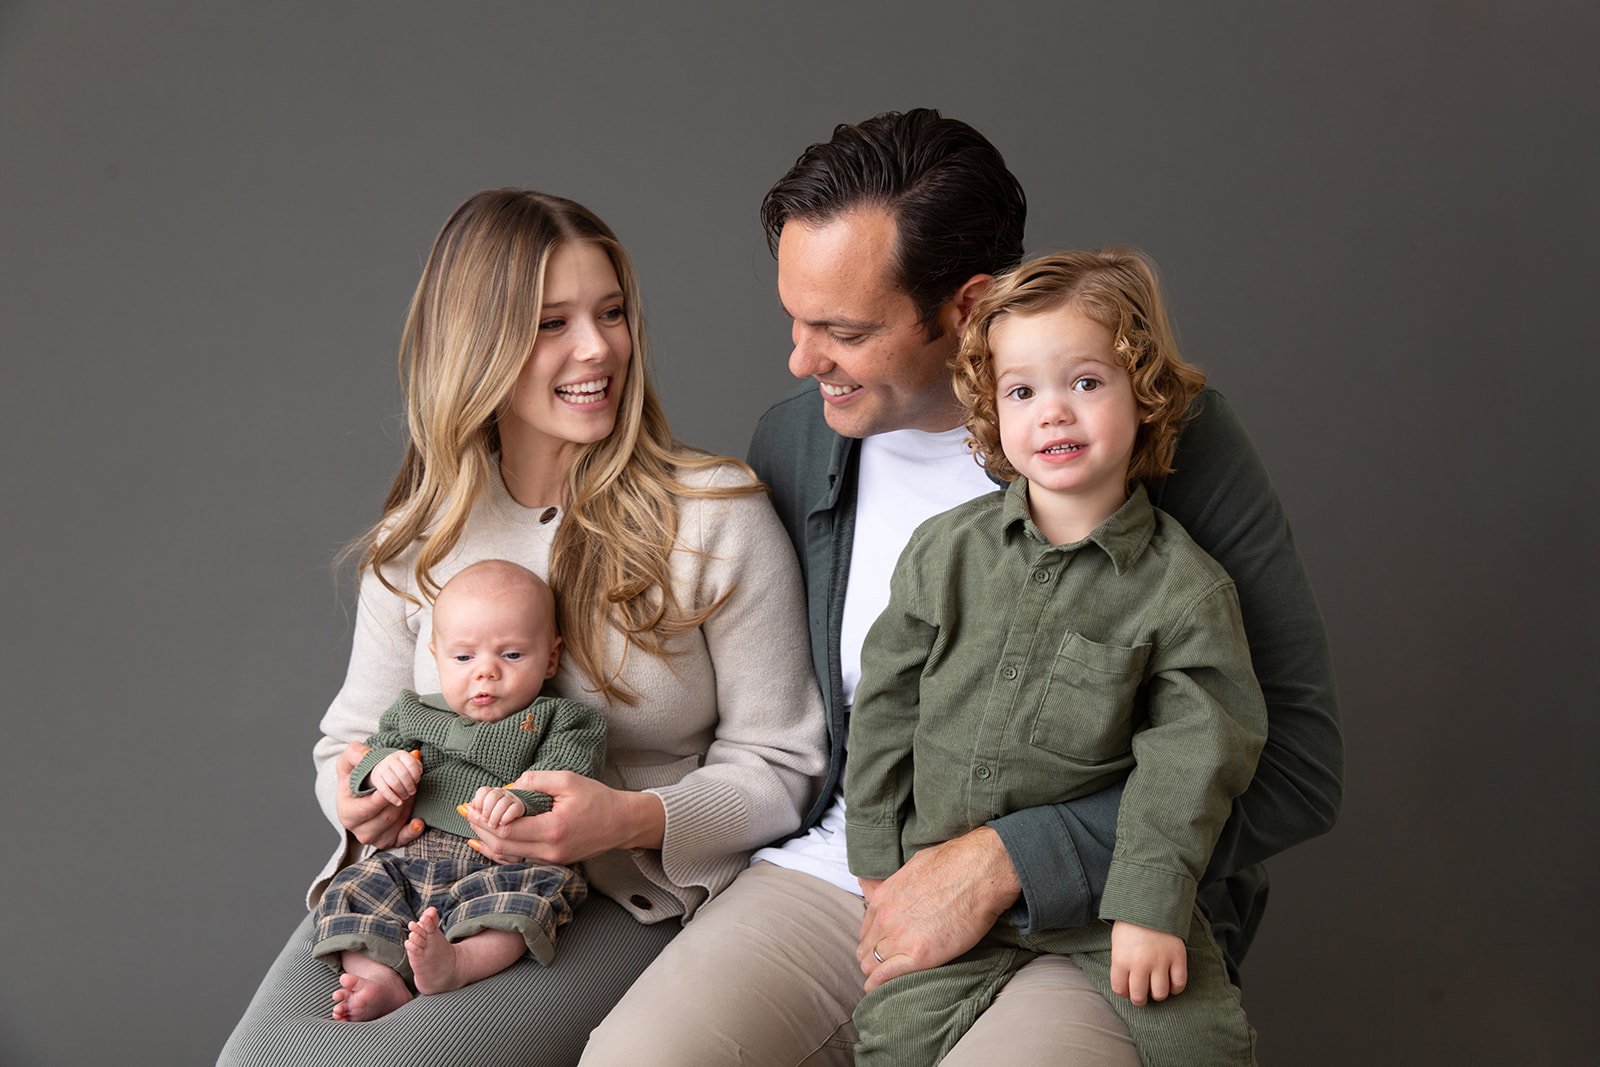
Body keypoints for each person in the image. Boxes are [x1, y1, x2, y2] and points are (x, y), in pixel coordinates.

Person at [584, 109, 1340, 1064]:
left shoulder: (1165, 440)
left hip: (1101, 917)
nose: (800, 358)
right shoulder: (801, 437)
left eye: (843, 330)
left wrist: (1003, 863)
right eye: (795, 318)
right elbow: (772, 717)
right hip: (850, 877)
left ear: (967, 308)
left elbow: (1298, 765)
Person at [219, 189, 827, 1065]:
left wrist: (628, 817)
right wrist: (360, 799)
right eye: (553, 322)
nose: (598, 347)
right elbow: (348, 737)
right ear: (480, 346)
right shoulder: (415, 542)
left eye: (611, 312)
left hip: (620, 893)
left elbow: (786, 763)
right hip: (412, 880)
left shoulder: (712, 514)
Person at [846, 250, 1266, 1065]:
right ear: (992, 410)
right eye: (1022, 391)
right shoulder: (945, 553)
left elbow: (1191, 758)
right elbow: (887, 706)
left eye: (1085, 382)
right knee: (888, 1039)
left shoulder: (1184, 591)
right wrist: (877, 858)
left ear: (1143, 394)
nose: (1053, 414)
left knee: (1206, 1041)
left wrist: (1150, 907)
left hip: (1106, 908)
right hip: (938, 885)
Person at [314, 560, 606, 1021]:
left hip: (501, 864)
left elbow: (566, 778)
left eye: (511, 655)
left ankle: (459, 963)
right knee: (351, 890)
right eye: (464, 657)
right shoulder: (412, 712)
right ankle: (379, 976)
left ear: (551, 657)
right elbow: (367, 756)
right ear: (435, 655)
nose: (485, 673)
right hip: (407, 862)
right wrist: (378, 771)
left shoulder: (562, 720)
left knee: (526, 902)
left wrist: (519, 801)